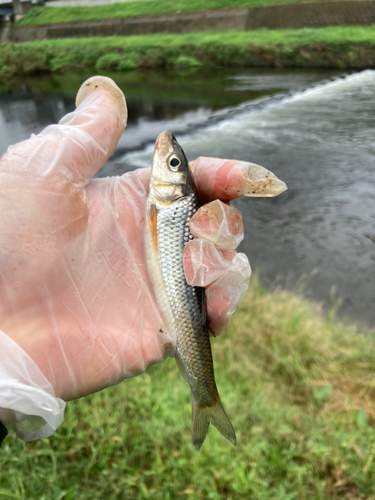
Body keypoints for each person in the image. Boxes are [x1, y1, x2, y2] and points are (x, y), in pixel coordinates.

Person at [0, 76, 285, 446]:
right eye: (172, 161)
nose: (164, 153)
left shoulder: (164, 203)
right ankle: (206, 400)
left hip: (175, 307)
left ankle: (206, 398)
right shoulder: (163, 203)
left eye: (171, 162)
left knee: (202, 299)